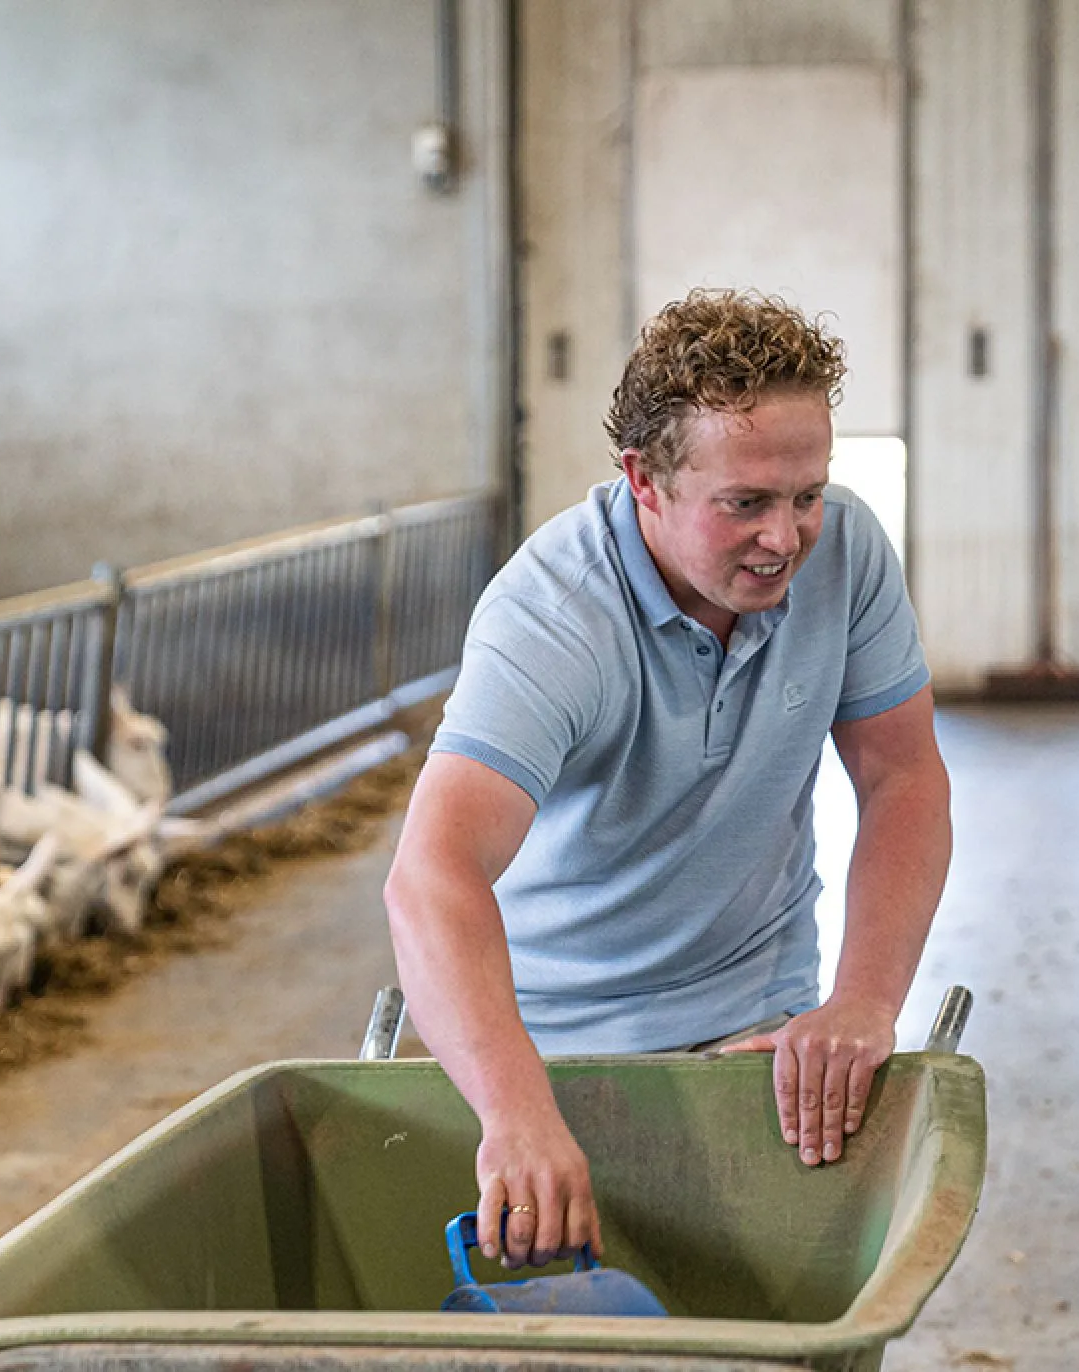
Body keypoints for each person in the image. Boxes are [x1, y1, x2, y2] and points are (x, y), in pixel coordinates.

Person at [384, 288, 952, 1267]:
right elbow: (432, 871)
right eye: (744, 503)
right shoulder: (553, 615)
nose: (786, 537)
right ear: (643, 480)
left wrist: (862, 999)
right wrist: (514, 1108)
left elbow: (902, 778)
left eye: (806, 493)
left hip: (754, 1020)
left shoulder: (845, 552)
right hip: (550, 1035)